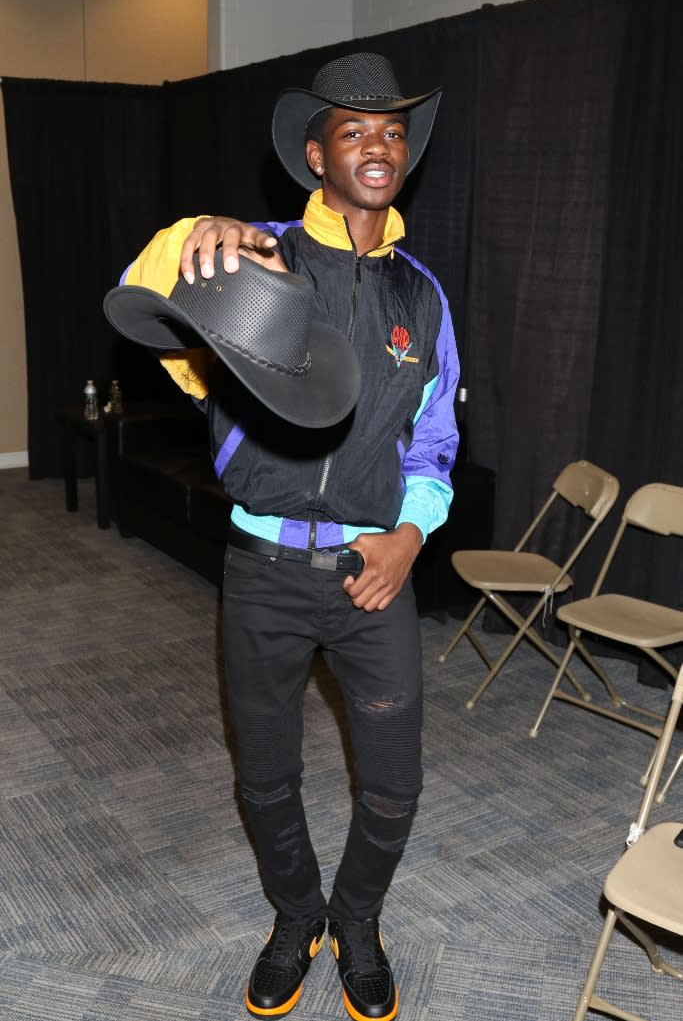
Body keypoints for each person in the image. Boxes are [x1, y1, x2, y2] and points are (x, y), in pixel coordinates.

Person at [121, 51, 459, 1021]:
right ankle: (293, 914)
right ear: (315, 154)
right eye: (353, 130)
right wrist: (196, 231)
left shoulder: (421, 296)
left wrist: (408, 537)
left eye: (391, 130)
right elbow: (144, 289)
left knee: (393, 781)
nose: (377, 145)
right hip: (262, 568)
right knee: (265, 772)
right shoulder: (256, 248)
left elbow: (434, 442)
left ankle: (357, 918)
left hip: (371, 570)